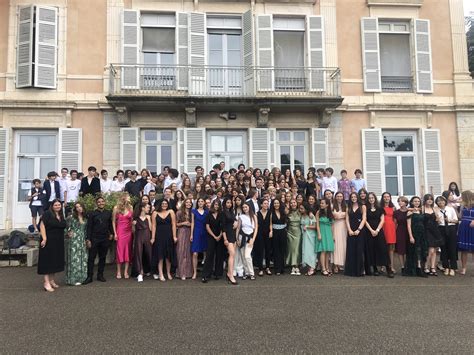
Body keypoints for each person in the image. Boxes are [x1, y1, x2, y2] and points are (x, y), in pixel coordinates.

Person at [37, 199, 66, 292]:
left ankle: (52, 280)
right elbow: (42, 225)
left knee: (55, 261)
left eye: (59, 205)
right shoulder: (47, 214)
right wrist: (44, 238)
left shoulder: (61, 215)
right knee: (47, 261)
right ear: (52, 206)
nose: (58, 206)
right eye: (56, 205)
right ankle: (46, 282)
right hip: (48, 241)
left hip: (58, 241)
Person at [84, 196, 113, 284]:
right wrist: (88, 239)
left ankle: (100, 275)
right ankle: (89, 276)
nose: (101, 203)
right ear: (96, 203)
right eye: (99, 202)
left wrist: (111, 233)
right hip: (94, 238)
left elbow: (110, 225)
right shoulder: (92, 213)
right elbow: (89, 227)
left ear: (105, 203)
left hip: (104, 238)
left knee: (102, 257)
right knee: (91, 258)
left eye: (102, 201)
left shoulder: (108, 213)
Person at [365, 193, 393, 278]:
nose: (371, 199)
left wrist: (377, 230)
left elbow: (382, 220)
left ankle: (388, 269)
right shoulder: (365, 209)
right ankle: (375, 269)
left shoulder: (380, 209)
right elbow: (365, 220)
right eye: (369, 198)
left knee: (383, 249)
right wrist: (371, 230)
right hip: (369, 231)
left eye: (372, 198)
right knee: (372, 249)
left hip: (379, 231)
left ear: (375, 198)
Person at [151, 199, 177, 281]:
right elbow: (153, 226)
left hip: (169, 235)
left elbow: (173, 225)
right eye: (163, 203)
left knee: (168, 256)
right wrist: (153, 238)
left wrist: (174, 236)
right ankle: (161, 274)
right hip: (159, 236)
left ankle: (168, 273)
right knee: (160, 256)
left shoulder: (171, 212)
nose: (164, 205)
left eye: (166, 203)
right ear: (160, 204)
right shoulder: (155, 213)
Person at [65, 202, 88, 286]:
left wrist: (87, 239)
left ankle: (82, 278)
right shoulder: (71, 217)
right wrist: (68, 233)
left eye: (80, 206)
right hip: (74, 240)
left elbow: (86, 230)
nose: (79, 208)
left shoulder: (85, 218)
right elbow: (65, 227)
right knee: (74, 259)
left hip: (82, 240)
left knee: (83, 258)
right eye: (77, 207)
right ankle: (72, 279)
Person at [344, 192, 366, 277]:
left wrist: (358, 230)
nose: (353, 198)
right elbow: (347, 219)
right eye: (352, 197)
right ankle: (351, 271)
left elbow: (364, 219)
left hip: (360, 230)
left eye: (355, 196)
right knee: (351, 250)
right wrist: (349, 230)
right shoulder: (348, 207)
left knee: (359, 250)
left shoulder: (363, 206)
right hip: (350, 230)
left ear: (357, 197)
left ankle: (359, 270)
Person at [405, 196, 428, 278]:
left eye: (418, 201)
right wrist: (411, 236)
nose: (417, 203)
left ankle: (421, 267)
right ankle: (416, 268)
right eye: (415, 201)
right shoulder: (409, 213)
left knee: (422, 251)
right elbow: (408, 225)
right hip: (414, 233)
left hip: (422, 233)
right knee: (415, 251)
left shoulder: (421, 211)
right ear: (412, 202)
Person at [112, 193, 134, 279]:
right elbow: (113, 221)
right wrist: (115, 233)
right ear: (123, 198)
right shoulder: (116, 208)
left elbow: (132, 220)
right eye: (128, 197)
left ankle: (125, 272)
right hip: (120, 231)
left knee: (128, 250)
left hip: (128, 232)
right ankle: (118, 271)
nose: (129, 198)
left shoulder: (130, 207)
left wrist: (133, 228)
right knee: (119, 251)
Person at [435, 195, 458, 276]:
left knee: (452, 248)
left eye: (442, 200)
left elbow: (456, 220)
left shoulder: (450, 209)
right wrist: (436, 221)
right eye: (438, 201)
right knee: (443, 248)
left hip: (451, 228)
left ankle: (453, 267)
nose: (440, 202)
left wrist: (449, 220)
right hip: (441, 229)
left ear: (445, 201)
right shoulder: (436, 210)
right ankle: (446, 267)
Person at [202, 200, 224, 282]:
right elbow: (207, 227)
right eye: (215, 204)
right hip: (211, 236)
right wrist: (214, 236)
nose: (216, 206)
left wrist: (220, 236)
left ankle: (217, 273)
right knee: (209, 255)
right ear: (213, 205)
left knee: (219, 255)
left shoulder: (221, 214)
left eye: (218, 205)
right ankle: (206, 275)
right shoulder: (208, 214)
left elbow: (223, 226)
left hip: (220, 236)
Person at [422, 194, 444, 276]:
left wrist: (438, 219)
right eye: (428, 199)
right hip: (426, 230)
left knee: (434, 250)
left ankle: (432, 267)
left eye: (431, 199)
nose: (429, 200)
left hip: (435, 230)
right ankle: (425, 267)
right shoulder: (423, 208)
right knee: (430, 250)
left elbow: (438, 219)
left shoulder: (434, 209)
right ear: (425, 200)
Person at [236, 202, 258, 280]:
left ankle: (252, 273)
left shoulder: (254, 216)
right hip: (242, 237)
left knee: (247, 256)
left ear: (249, 207)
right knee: (243, 256)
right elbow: (238, 228)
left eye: (246, 207)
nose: (245, 209)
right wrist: (237, 239)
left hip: (250, 237)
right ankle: (246, 272)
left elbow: (256, 229)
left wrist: (253, 239)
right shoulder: (241, 217)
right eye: (243, 207)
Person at [133, 202, 153, 282]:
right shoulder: (136, 218)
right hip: (139, 237)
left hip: (148, 236)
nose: (149, 209)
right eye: (147, 207)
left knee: (150, 253)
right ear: (142, 208)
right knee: (138, 254)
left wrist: (149, 219)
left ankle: (153, 271)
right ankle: (140, 273)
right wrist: (133, 225)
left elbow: (151, 229)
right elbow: (133, 231)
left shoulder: (149, 217)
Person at [175, 198, 193, 280]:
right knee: (181, 251)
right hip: (181, 232)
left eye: (190, 202)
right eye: (187, 202)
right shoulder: (179, 212)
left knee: (188, 252)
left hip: (189, 232)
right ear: (184, 203)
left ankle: (188, 273)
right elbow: (175, 224)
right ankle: (181, 273)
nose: (188, 204)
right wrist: (184, 223)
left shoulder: (192, 212)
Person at [222, 197, 238, 285]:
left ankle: (229, 273)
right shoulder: (223, 213)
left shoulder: (232, 212)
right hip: (227, 235)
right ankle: (231, 275)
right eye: (227, 202)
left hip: (233, 234)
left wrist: (236, 222)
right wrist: (225, 239)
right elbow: (223, 227)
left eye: (230, 203)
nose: (229, 204)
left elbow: (235, 221)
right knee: (232, 254)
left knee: (232, 255)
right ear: (224, 203)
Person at [316, 198, 335, 276]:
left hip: (329, 233)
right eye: (320, 203)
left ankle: (327, 267)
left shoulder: (330, 213)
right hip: (322, 232)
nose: (321, 204)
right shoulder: (318, 212)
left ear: (327, 204)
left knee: (328, 251)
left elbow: (332, 225)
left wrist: (333, 236)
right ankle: (323, 268)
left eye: (323, 203)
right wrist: (319, 234)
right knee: (323, 250)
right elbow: (317, 224)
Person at [457, 190, 474, 275]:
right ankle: (464, 268)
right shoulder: (462, 205)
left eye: (462, 196)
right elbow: (460, 216)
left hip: (472, 226)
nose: (461, 198)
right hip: (464, 225)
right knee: (464, 250)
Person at [191, 198, 208, 279]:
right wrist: (191, 234)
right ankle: (194, 272)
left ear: (204, 203)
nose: (200, 203)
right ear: (197, 203)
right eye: (199, 202)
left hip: (205, 232)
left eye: (202, 201)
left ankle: (205, 272)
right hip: (196, 232)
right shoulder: (194, 211)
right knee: (195, 253)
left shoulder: (207, 212)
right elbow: (192, 223)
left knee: (205, 252)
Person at [254, 199, 273, 276]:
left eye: (267, 203)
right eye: (264, 203)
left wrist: (271, 231)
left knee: (268, 250)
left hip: (268, 233)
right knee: (260, 251)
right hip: (259, 234)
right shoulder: (257, 213)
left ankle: (267, 267)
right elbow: (255, 225)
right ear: (261, 205)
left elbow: (270, 224)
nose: (266, 205)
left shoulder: (270, 213)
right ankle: (261, 268)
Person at [381, 192, 396, 273]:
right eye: (385, 197)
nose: (386, 198)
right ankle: (383, 266)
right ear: (383, 198)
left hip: (391, 229)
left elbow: (395, 220)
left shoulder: (393, 208)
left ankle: (392, 266)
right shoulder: (380, 207)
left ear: (390, 198)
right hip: (383, 227)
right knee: (383, 248)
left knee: (391, 249)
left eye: (388, 197)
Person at [332, 191, 347, 273]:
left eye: (341, 196)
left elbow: (346, 216)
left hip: (344, 227)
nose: (339, 198)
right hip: (335, 226)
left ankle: (342, 264)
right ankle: (335, 265)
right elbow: (333, 216)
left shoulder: (346, 206)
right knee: (336, 245)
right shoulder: (332, 206)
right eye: (338, 196)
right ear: (335, 197)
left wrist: (339, 216)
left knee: (343, 245)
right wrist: (341, 216)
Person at [393, 196, 409, 275]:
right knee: (400, 250)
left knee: (408, 249)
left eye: (402, 201)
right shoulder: (396, 212)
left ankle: (407, 266)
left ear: (406, 202)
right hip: (400, 231)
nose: (400, 203)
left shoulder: (409, 211)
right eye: (399, 201)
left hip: (408, 231)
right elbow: (395, 223)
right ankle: (402, 267)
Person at [271, 198, 287, 275]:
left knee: (282, 250)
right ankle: (277, 268)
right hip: (275, 232)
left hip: (283, 232)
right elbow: (270, 223)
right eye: (275, 203)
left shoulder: (283, 212)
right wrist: (271, 231)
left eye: (277, 203)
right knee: (276, 250)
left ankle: (282, 268)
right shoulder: (271, 213)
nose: (276, 205)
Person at [286, 199, 302, 275]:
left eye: (294, 202)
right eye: (291, 203)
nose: (293, 204)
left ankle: (297, 265)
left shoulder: (300, 211)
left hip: (298, 231)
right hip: (290, 232)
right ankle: (293, 266)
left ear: (296, 203)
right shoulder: (287, 212)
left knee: (297, 249)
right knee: (291, 249)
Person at [300, 203, 316, 276]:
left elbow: (315, 226)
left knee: (311, 251)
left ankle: (312, 268)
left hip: (311, 235)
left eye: (302, 208)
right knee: (306, 251)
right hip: (304, 235)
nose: (301, 210)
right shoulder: (302, 215)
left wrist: (307, 227)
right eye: (300, 208)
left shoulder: (311, 215)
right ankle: (309, 267)